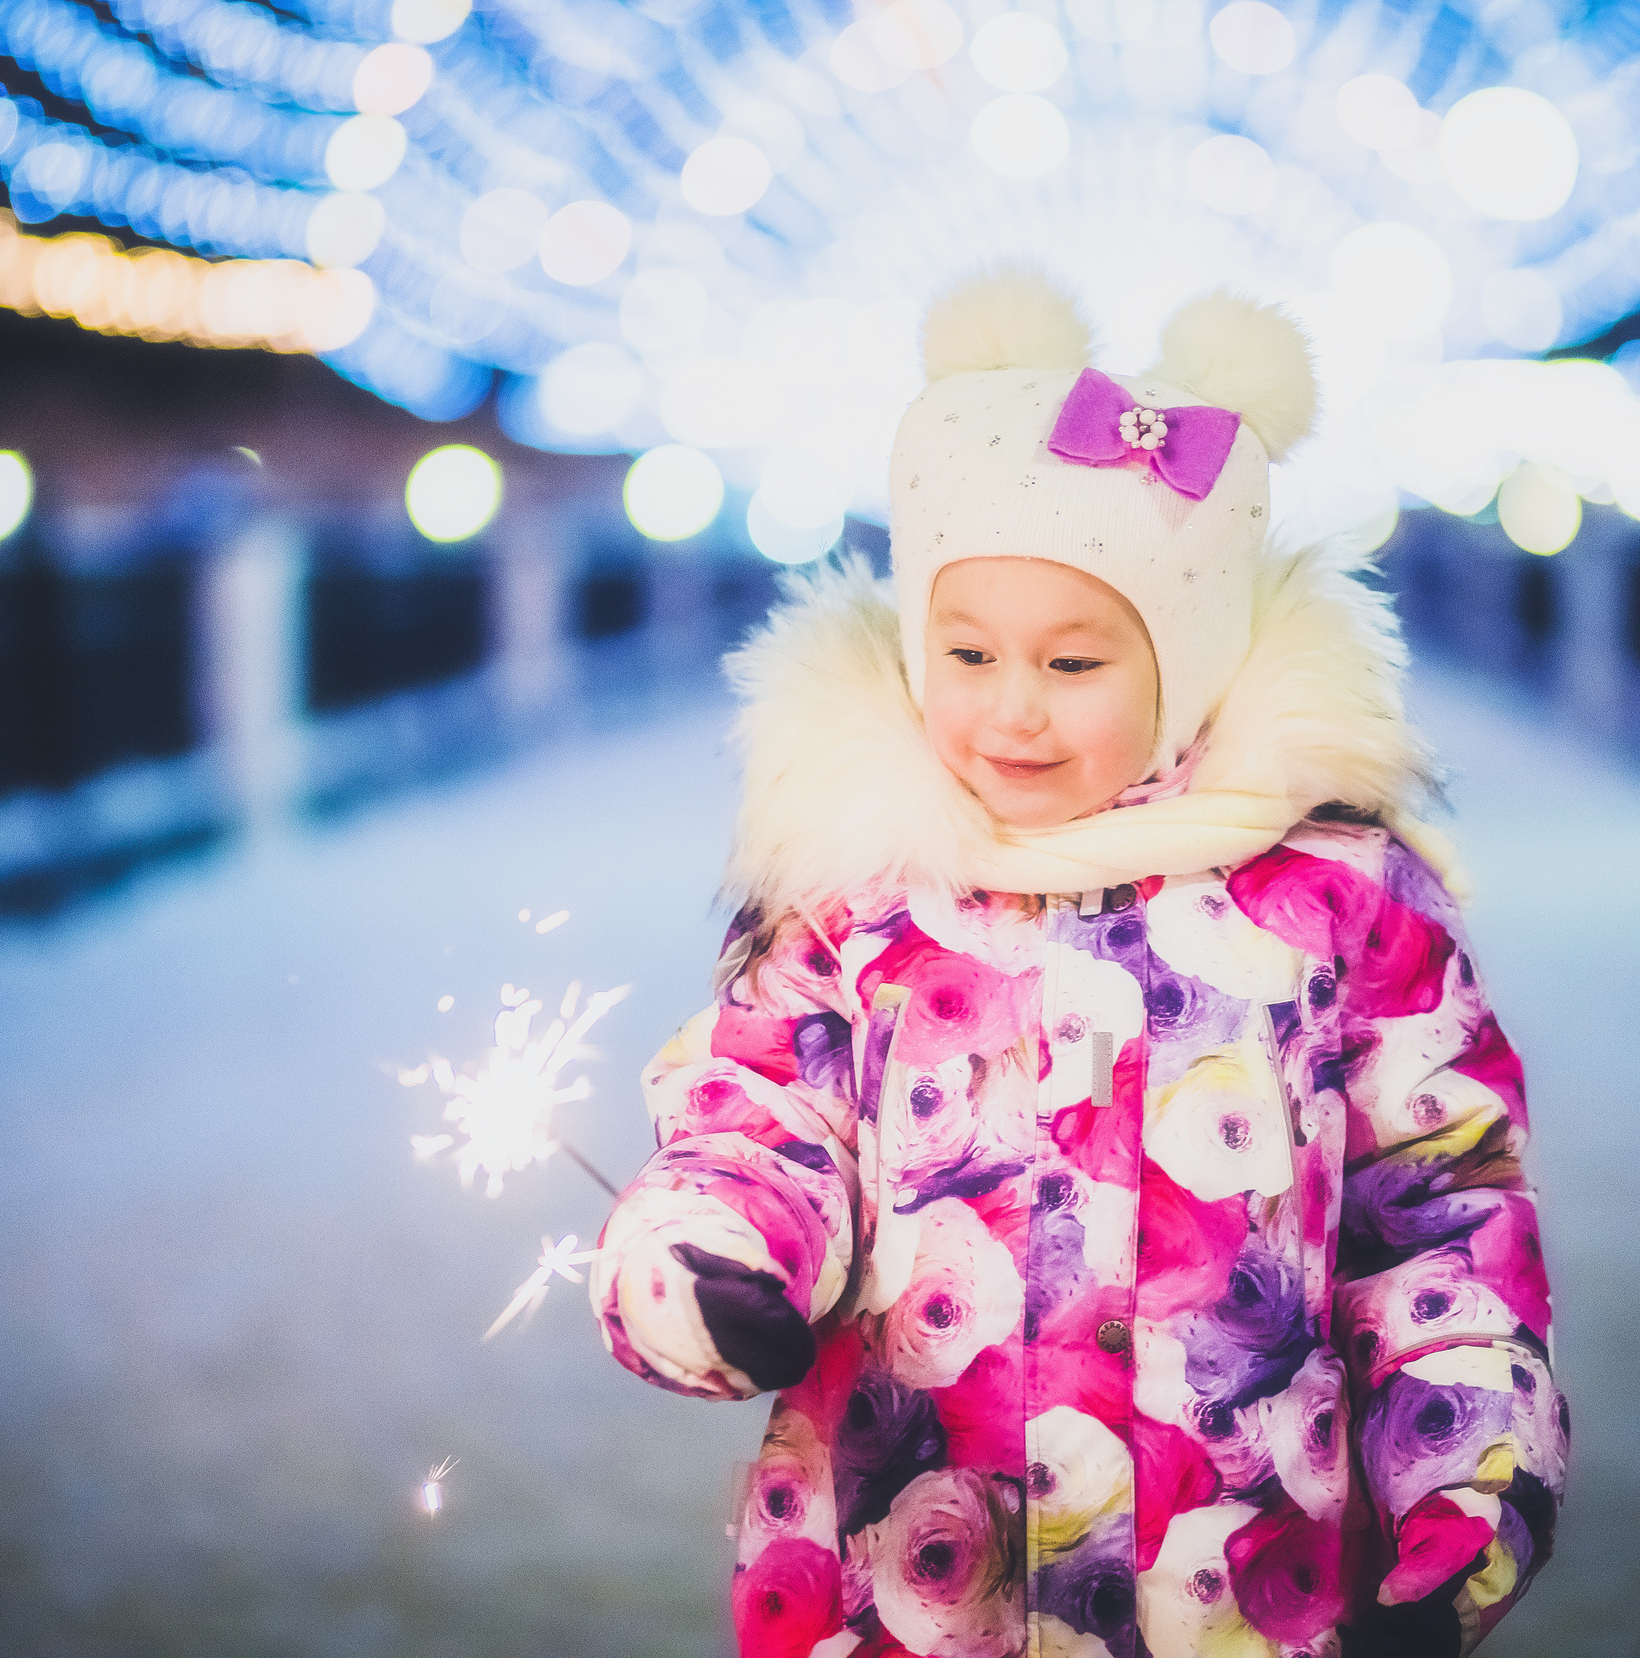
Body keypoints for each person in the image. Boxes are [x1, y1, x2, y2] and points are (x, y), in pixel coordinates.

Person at [592, 265, 1566, 1658]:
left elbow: (1437, 1205)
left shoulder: (1336, 901)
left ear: (1189, 658)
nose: (1009, 712)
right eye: (970, 650)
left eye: (1075, 664)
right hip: (915, 1576)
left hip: (1239, 1583)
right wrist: (718, 1257)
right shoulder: (860, 896)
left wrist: (1463, 1486)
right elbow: (756, 1119)